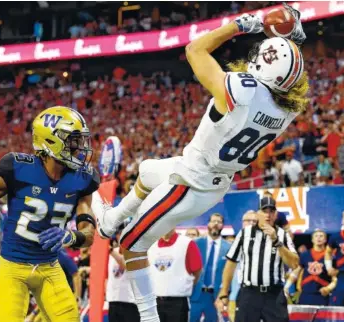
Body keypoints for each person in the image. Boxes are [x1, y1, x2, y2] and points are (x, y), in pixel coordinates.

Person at [94, 5, 307, 321]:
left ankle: (150, 318)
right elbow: (286, 77)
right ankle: (112, 219)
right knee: (147, 170)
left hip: (191, 181)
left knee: (131, 245)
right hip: (210, 178)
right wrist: (294, 45)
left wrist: (241, 25)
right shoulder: (286, 111)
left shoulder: (243, 91)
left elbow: (194, 49)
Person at [0, 106, 99, 321]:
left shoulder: (83, 179)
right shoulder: (18, 169)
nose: (79, 148)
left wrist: (71, 236)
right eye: (73, 140)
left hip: (50, 267)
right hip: (13, 268)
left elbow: (90, 235)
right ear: (51, 141)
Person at [218, 205, 299, 322]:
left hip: (274, 294)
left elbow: (294, 264)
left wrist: (276, 241)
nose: (267, 215)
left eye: (271, 211)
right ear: (258, 214)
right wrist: (224, 292)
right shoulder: (244, 234)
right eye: (264, 211)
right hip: (249, 293)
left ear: (275, 215)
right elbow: (231, 263)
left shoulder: (283, 235)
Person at [148, 228, 202, 322]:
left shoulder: (187, 243)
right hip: (155, 302)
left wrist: (184, 285)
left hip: (178, 303)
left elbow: (197, 270)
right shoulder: (152, 246)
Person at [216, 210, 258, 322]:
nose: (252, 223)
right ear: (242, 223)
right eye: (248, 221)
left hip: (259, 300)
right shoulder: (235, 245)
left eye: (255, 221)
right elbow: (228, 272)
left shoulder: (265, 244)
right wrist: (222, 294)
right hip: (236, 297)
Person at [188, 214, 229, 322]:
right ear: (208, 224)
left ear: (223, 226)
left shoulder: (229, 247)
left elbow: (230, 273)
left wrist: (225, 294)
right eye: (213, 221)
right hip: (196, 294)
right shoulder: (196, 243)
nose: (216, 224)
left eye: (219, 222)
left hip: (215, 296)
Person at [284, 229, 337, 305]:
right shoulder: (305, 255)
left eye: (321, 236)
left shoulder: (331, 257)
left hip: (323, 295)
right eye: (316, 236)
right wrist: (286, 287)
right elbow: (296, 272)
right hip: (306, 294)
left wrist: (329, 288)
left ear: (325, 240)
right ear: (312, 240)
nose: (318, 238)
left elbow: (336, 277)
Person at [107, 223, 140, 322]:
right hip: (113, 303)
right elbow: (106, 277)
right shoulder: (111, 253)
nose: (121, 236)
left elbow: (127, 265)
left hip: (130, 304)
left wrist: (111, 251)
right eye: (119, 233)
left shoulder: (137, 251)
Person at [325, 209, 344, 306]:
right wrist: (329, 267)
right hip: (342, 275)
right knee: (338, 305)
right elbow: (328, 252)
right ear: (342, 221)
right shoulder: (335, 236)